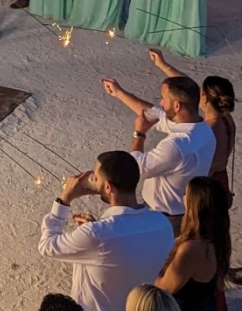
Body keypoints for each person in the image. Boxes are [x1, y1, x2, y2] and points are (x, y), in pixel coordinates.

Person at [37, 151, 175, 311]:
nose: (93, 180)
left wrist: (65, 198)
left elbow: (46, 246)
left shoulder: (97, 235)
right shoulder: (162, 223)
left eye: (95, 177)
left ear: (108, 187)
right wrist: (96, 229)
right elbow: (123, 251)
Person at [101, 75, 217, 235]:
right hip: (183, 211)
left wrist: (139, 134)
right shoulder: (203, 129)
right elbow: (154, 114)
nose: (161, 103)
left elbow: (137, 167)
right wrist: (119, 92)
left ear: (176, 106)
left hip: (165, 217)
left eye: (163, 98)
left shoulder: (177, 145)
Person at [149, 49, 236, 203]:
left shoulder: (209, 128)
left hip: (208, 183)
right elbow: (188, 85)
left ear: (205, 98)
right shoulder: (226, 117)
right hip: (222, 178)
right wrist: (162, 64)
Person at [155, 177, 231, 311]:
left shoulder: (191, 249)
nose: (183, 198)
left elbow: (166, 288)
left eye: (186, 194)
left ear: (194, 204)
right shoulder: (219, 238)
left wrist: (144, 270)